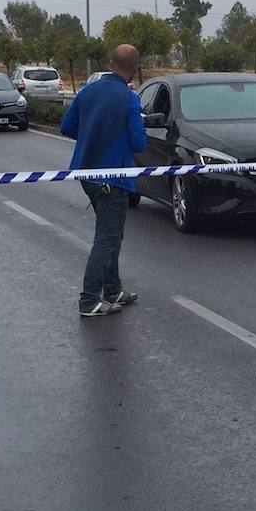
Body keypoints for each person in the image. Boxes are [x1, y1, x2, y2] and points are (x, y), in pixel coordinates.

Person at [59, 45, 147, 317]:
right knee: (107, 238)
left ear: (111, 63)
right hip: (114, 178)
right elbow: (139, 143)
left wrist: (91, 138)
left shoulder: (88, 90)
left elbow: (67, 127)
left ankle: (113, 289)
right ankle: (89, 299)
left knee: (112, 234)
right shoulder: (129, 98)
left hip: (86, 173)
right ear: (134, 69)